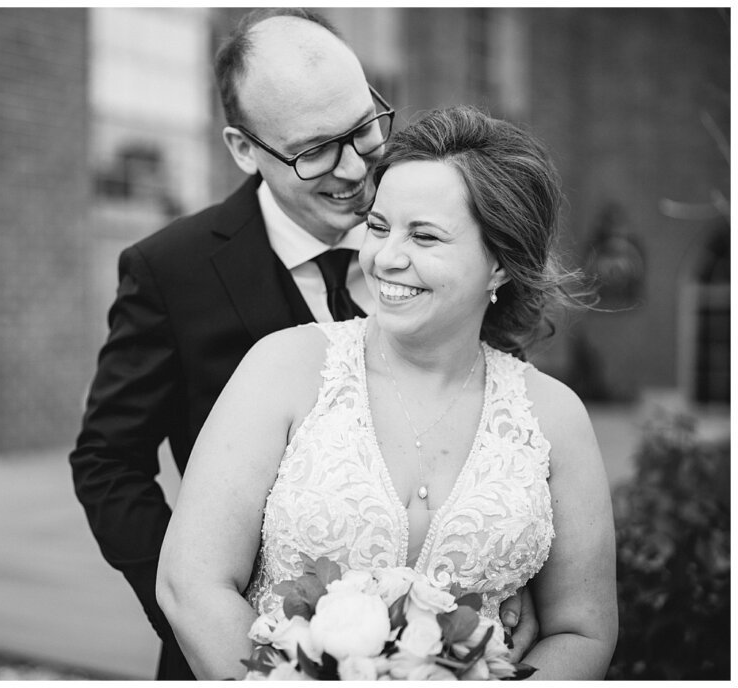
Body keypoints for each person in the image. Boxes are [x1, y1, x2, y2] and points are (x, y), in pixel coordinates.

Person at [71, 9, 533, 680]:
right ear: (241, 149)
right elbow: (107, 461)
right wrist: (195, 605)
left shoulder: (445, 232)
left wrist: (504, 572)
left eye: (364, 127)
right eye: (315, 149)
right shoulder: (170, 271)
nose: (356, 167)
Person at [156, 106, 619, 679]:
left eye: (423, 235)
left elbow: (584, 629)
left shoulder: (554, 418)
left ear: (500, 264)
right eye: (377, 227)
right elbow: (190, 583)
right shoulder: (284, 369)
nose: (385, 258)